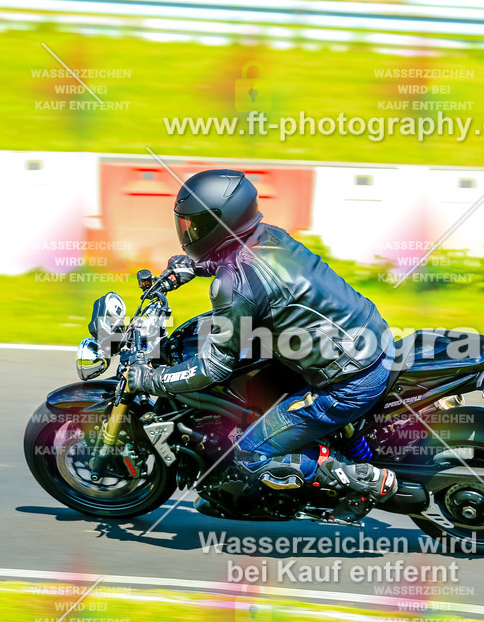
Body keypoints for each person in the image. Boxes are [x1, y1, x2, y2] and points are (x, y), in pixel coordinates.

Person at [126, 169, 397, 506]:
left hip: (350, 379)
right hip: (368, 340)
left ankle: (354, 474)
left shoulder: (233, 285)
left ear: (219, 224)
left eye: (195, 224)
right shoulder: (271, 235)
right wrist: (194, 268)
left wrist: (152, 379)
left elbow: (213, 369)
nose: (188, 231)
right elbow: (246, 267)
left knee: (249, 453)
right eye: (185, 224)